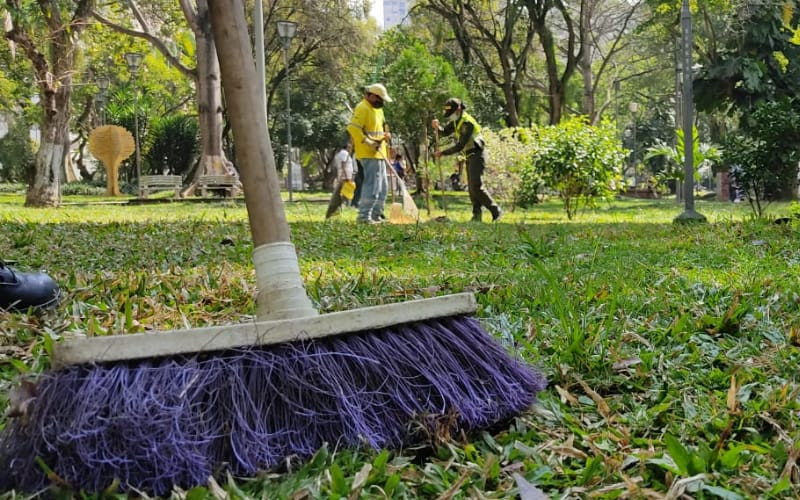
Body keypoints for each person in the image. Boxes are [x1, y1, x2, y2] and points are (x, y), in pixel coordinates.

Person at [432, 98, 502, 222]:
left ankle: (495, 210)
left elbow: (460, 145)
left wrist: (443, 153)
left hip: (477, 154)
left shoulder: (467, 122)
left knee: (476, 185)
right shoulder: (456, 121)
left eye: (451, 113)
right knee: (472, 187)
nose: (450, 116)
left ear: (458, 110)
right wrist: (438, 128)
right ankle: (476, 215)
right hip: (469, 155)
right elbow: (445, 132)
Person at [347, 83, 392, 224]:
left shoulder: (378, 110)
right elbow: (353, 129)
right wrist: (368, 142)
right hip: (368, 153)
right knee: (372, 186)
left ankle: (376, 215)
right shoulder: (362, 108)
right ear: (372, 96)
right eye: (380, 99)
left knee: (382, 187)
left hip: (380, 153)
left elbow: (378, 128)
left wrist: (385, 136)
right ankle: (364, 216)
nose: (382, 102)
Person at [325, 140, 355, 219]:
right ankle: (342, 206)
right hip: (345, 176)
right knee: (344, 192)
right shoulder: (344, 154)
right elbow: (343, 165)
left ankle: (340, 207)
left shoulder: (340, 154)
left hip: (343, 175)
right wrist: (345, 176)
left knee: (342, 192)